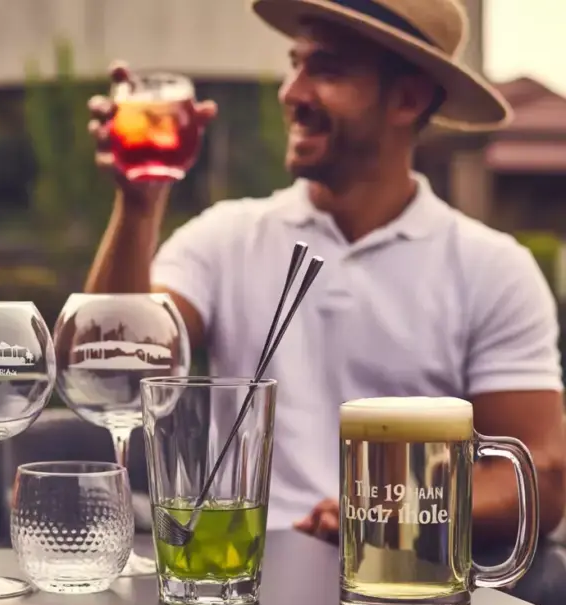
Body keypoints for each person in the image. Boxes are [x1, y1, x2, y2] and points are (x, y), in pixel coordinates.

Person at [85, 0, 566, 544]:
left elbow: (538, 478)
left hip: (401, 587)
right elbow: (114, 372)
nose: (292, 92)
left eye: (327, 69)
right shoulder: (223, 239)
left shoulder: (493, 269)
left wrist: (391, 512)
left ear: (407, 99)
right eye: (296, 64)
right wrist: (138, 207)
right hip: (238, 577)